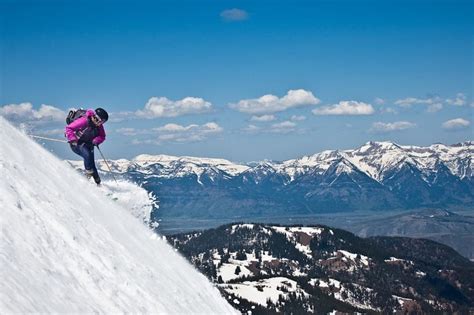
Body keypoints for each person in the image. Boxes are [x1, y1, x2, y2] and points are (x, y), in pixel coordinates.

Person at [65, 108, 108, 184]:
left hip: (89, 144)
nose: (98, 122)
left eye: (102, 122)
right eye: (97, 119)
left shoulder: (99, 126)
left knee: (91, 163)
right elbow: (69, 128)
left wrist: (96, 140)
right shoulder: (84, 120)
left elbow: (102, 136)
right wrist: (72, 139)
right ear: (93, 116)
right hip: (76, 143)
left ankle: (98, 183)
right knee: (87, 156)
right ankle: (86, 181)